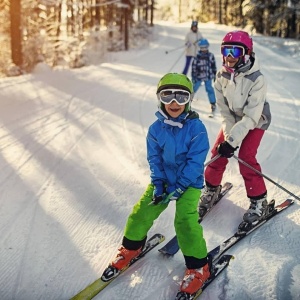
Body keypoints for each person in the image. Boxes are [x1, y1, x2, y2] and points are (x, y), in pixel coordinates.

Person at [104, 73, 211, 295]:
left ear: (189, 100)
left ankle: (199, 266)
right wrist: (159, 182)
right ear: (160, 99)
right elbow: (154, 159)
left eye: (181, 97)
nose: (174, 103)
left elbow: (195, 162)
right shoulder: (155, 129)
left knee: (185, 221)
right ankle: (131, 248)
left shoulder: (197, 129)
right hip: (164, 180)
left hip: (189, 184)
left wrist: (181, 186)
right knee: (142, 211)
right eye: (168, 96)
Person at [198, 30, 272, 232]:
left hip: (255, 120)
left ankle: (259, 201)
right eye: (226, 51)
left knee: (246, 156)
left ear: (246, 53)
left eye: (235, 51)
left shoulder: (257, 79)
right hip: (233, 119)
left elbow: (250, 117)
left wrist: (234, 142)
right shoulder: (220, 76)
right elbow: (225, 112)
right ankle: (211, 189)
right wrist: (230, 140)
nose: (229, 56)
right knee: (217, 153)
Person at [191, 38, 217, 113]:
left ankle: (213, 103)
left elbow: (213, 66)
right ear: (200, 47)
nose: (204, 49)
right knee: (194, 88)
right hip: (199, 76)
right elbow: (194, 67)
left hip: (208, 76)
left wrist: (215, 74)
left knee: (209, 89)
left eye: (205, 47)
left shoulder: (210, 56)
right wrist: (193, 77)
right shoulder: (197, 57)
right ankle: (187, 101)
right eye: (202, 48)